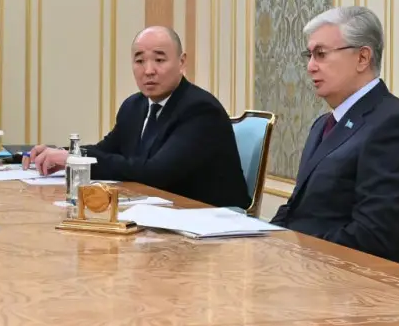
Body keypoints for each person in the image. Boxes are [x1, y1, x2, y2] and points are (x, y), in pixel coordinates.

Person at [25, 26, 249, 210]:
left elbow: (156, 173)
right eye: (140, 61)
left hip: (208, 220)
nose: (148, 70)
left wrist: (74, 159)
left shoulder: (200, 109)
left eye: (159, 60)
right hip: (157, 212)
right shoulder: (134, 106)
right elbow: (106, 150)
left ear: (181, 62)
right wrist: (61, 155)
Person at [271, 6, 399, 263]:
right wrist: (263, 240)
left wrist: (294, 249)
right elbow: (295, 209)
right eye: (309, 55)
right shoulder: (323, 124)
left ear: (362, 58)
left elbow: (373, 237)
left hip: (342, 275)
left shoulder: (394, 125)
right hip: (301, 262)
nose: (310, 67)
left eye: (321, 54)